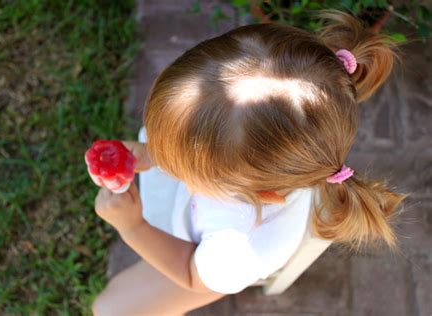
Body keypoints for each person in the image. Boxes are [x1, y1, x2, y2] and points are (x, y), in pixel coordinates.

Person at [91, 9, 406, 316]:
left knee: (109, 309)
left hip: (199, 263)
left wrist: (132, 227)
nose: (168, 161)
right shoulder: (271, 159)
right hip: (207, 214)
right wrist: (153, 153)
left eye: (181, 162)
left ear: (262, 193)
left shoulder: (239, 247)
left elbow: (191, 274)